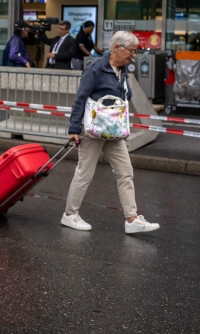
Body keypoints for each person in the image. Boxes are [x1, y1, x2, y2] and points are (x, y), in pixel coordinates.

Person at [62, 31, 160, 235]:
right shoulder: (95, 70)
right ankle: (70, 215)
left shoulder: (122, 70)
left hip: (113, 131)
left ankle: (131, 219)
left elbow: (126, 95)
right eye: (131, 51)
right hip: (93, 129)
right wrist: (73, 129)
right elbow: (80, 99)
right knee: (84, 173)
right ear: (117, 48)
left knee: (126, 172)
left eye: (135, 52)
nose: (134, 55)